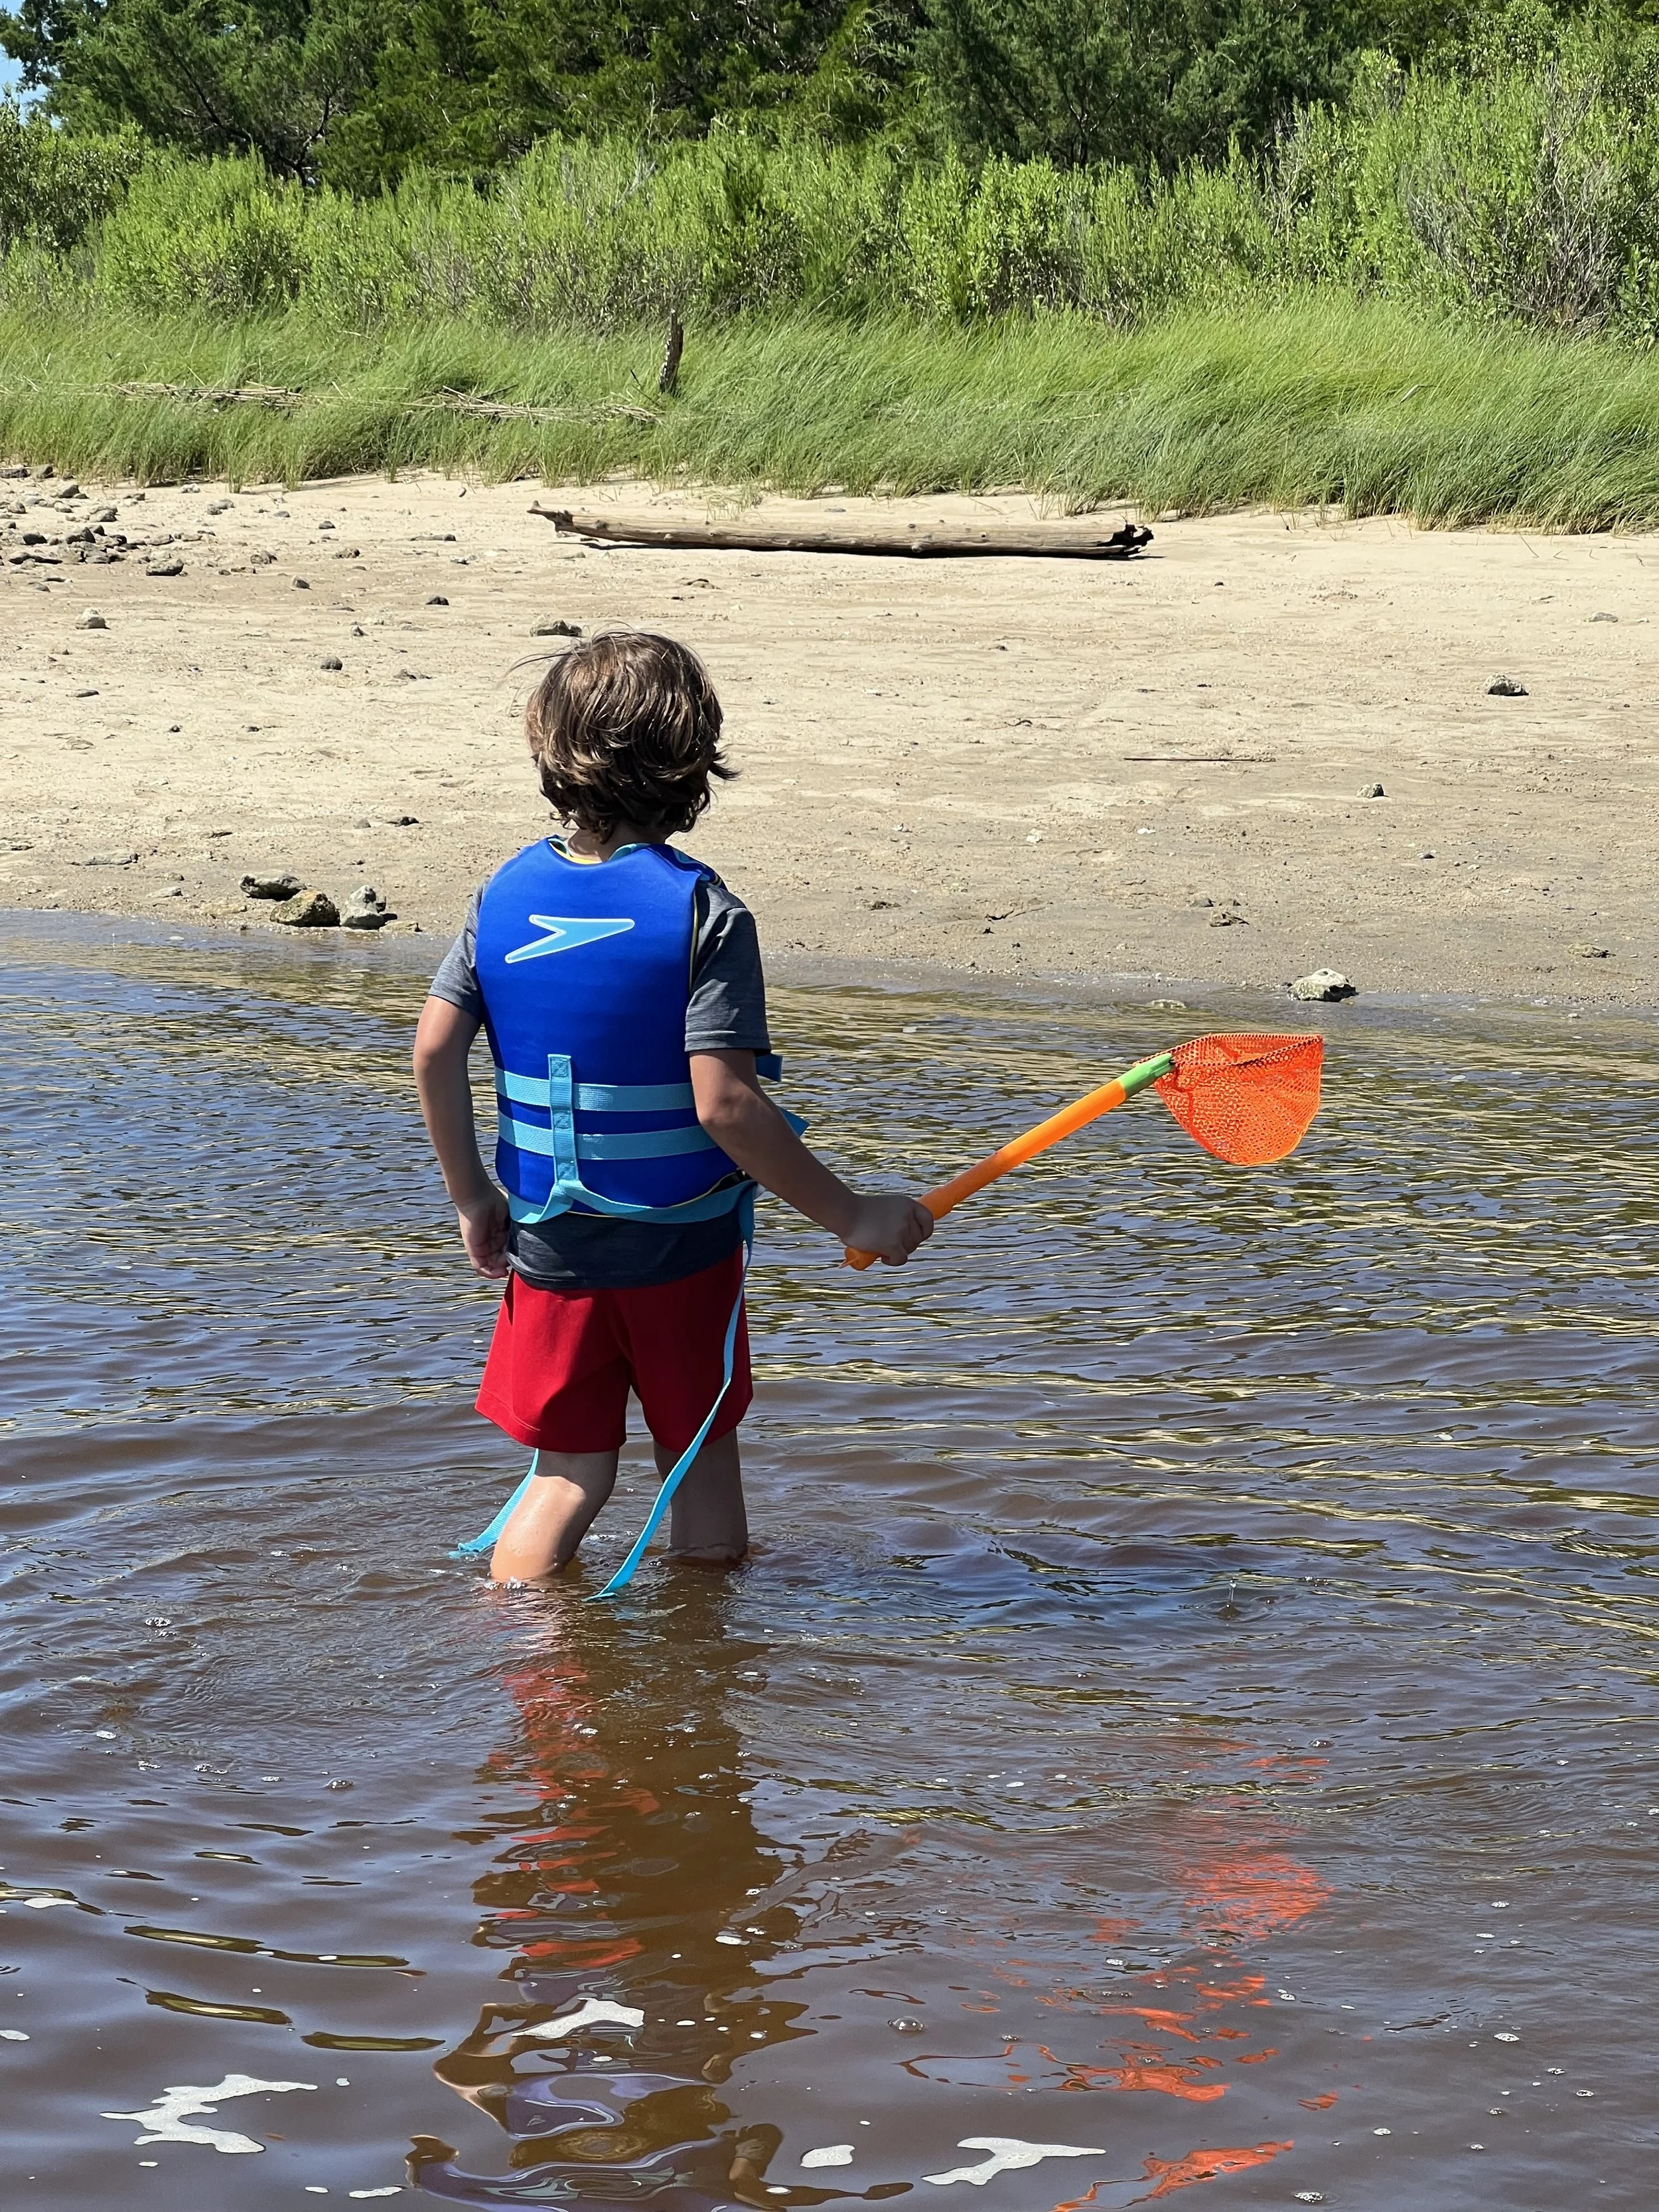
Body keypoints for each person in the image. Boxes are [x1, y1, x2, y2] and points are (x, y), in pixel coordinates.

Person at [413, 630, 932, 1584]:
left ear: (548, 753)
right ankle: (700, 1651)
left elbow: (435, 1047)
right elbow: (726, 1105)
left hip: (551, 1244)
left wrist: (472, 1196)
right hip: (679, 1252)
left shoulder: (501, 897)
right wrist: (852, 1213)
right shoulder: (704, 913)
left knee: (569, 1473)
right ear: (693, 762)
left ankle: (515, 1654)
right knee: (696, 1451)